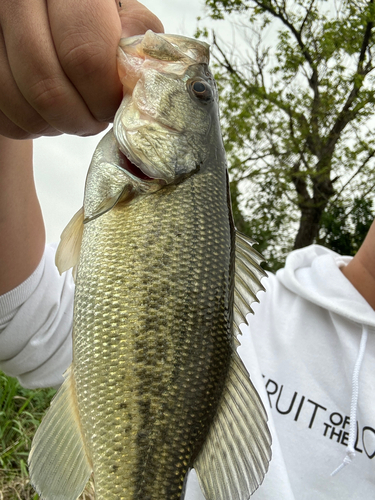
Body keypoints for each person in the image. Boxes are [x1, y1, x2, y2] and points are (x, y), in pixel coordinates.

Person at [0, 3, 374, 498]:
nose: (197, 88)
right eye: (202, 94)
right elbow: (23, 320)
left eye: (199, 93)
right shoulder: (259, 309)